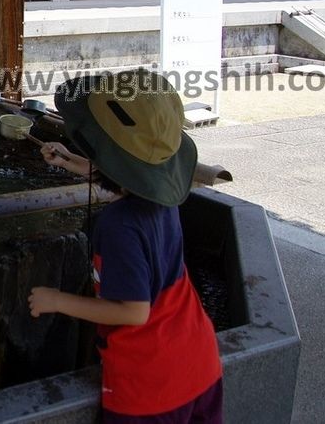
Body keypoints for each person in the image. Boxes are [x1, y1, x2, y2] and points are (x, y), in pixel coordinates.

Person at [27, 70, 223, 423]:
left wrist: (55, 300)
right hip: (199, 359)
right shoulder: (164, 195)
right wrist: (70, 161)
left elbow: (134, 311)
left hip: (150, 385)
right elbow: (131, 175)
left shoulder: (118, 225)